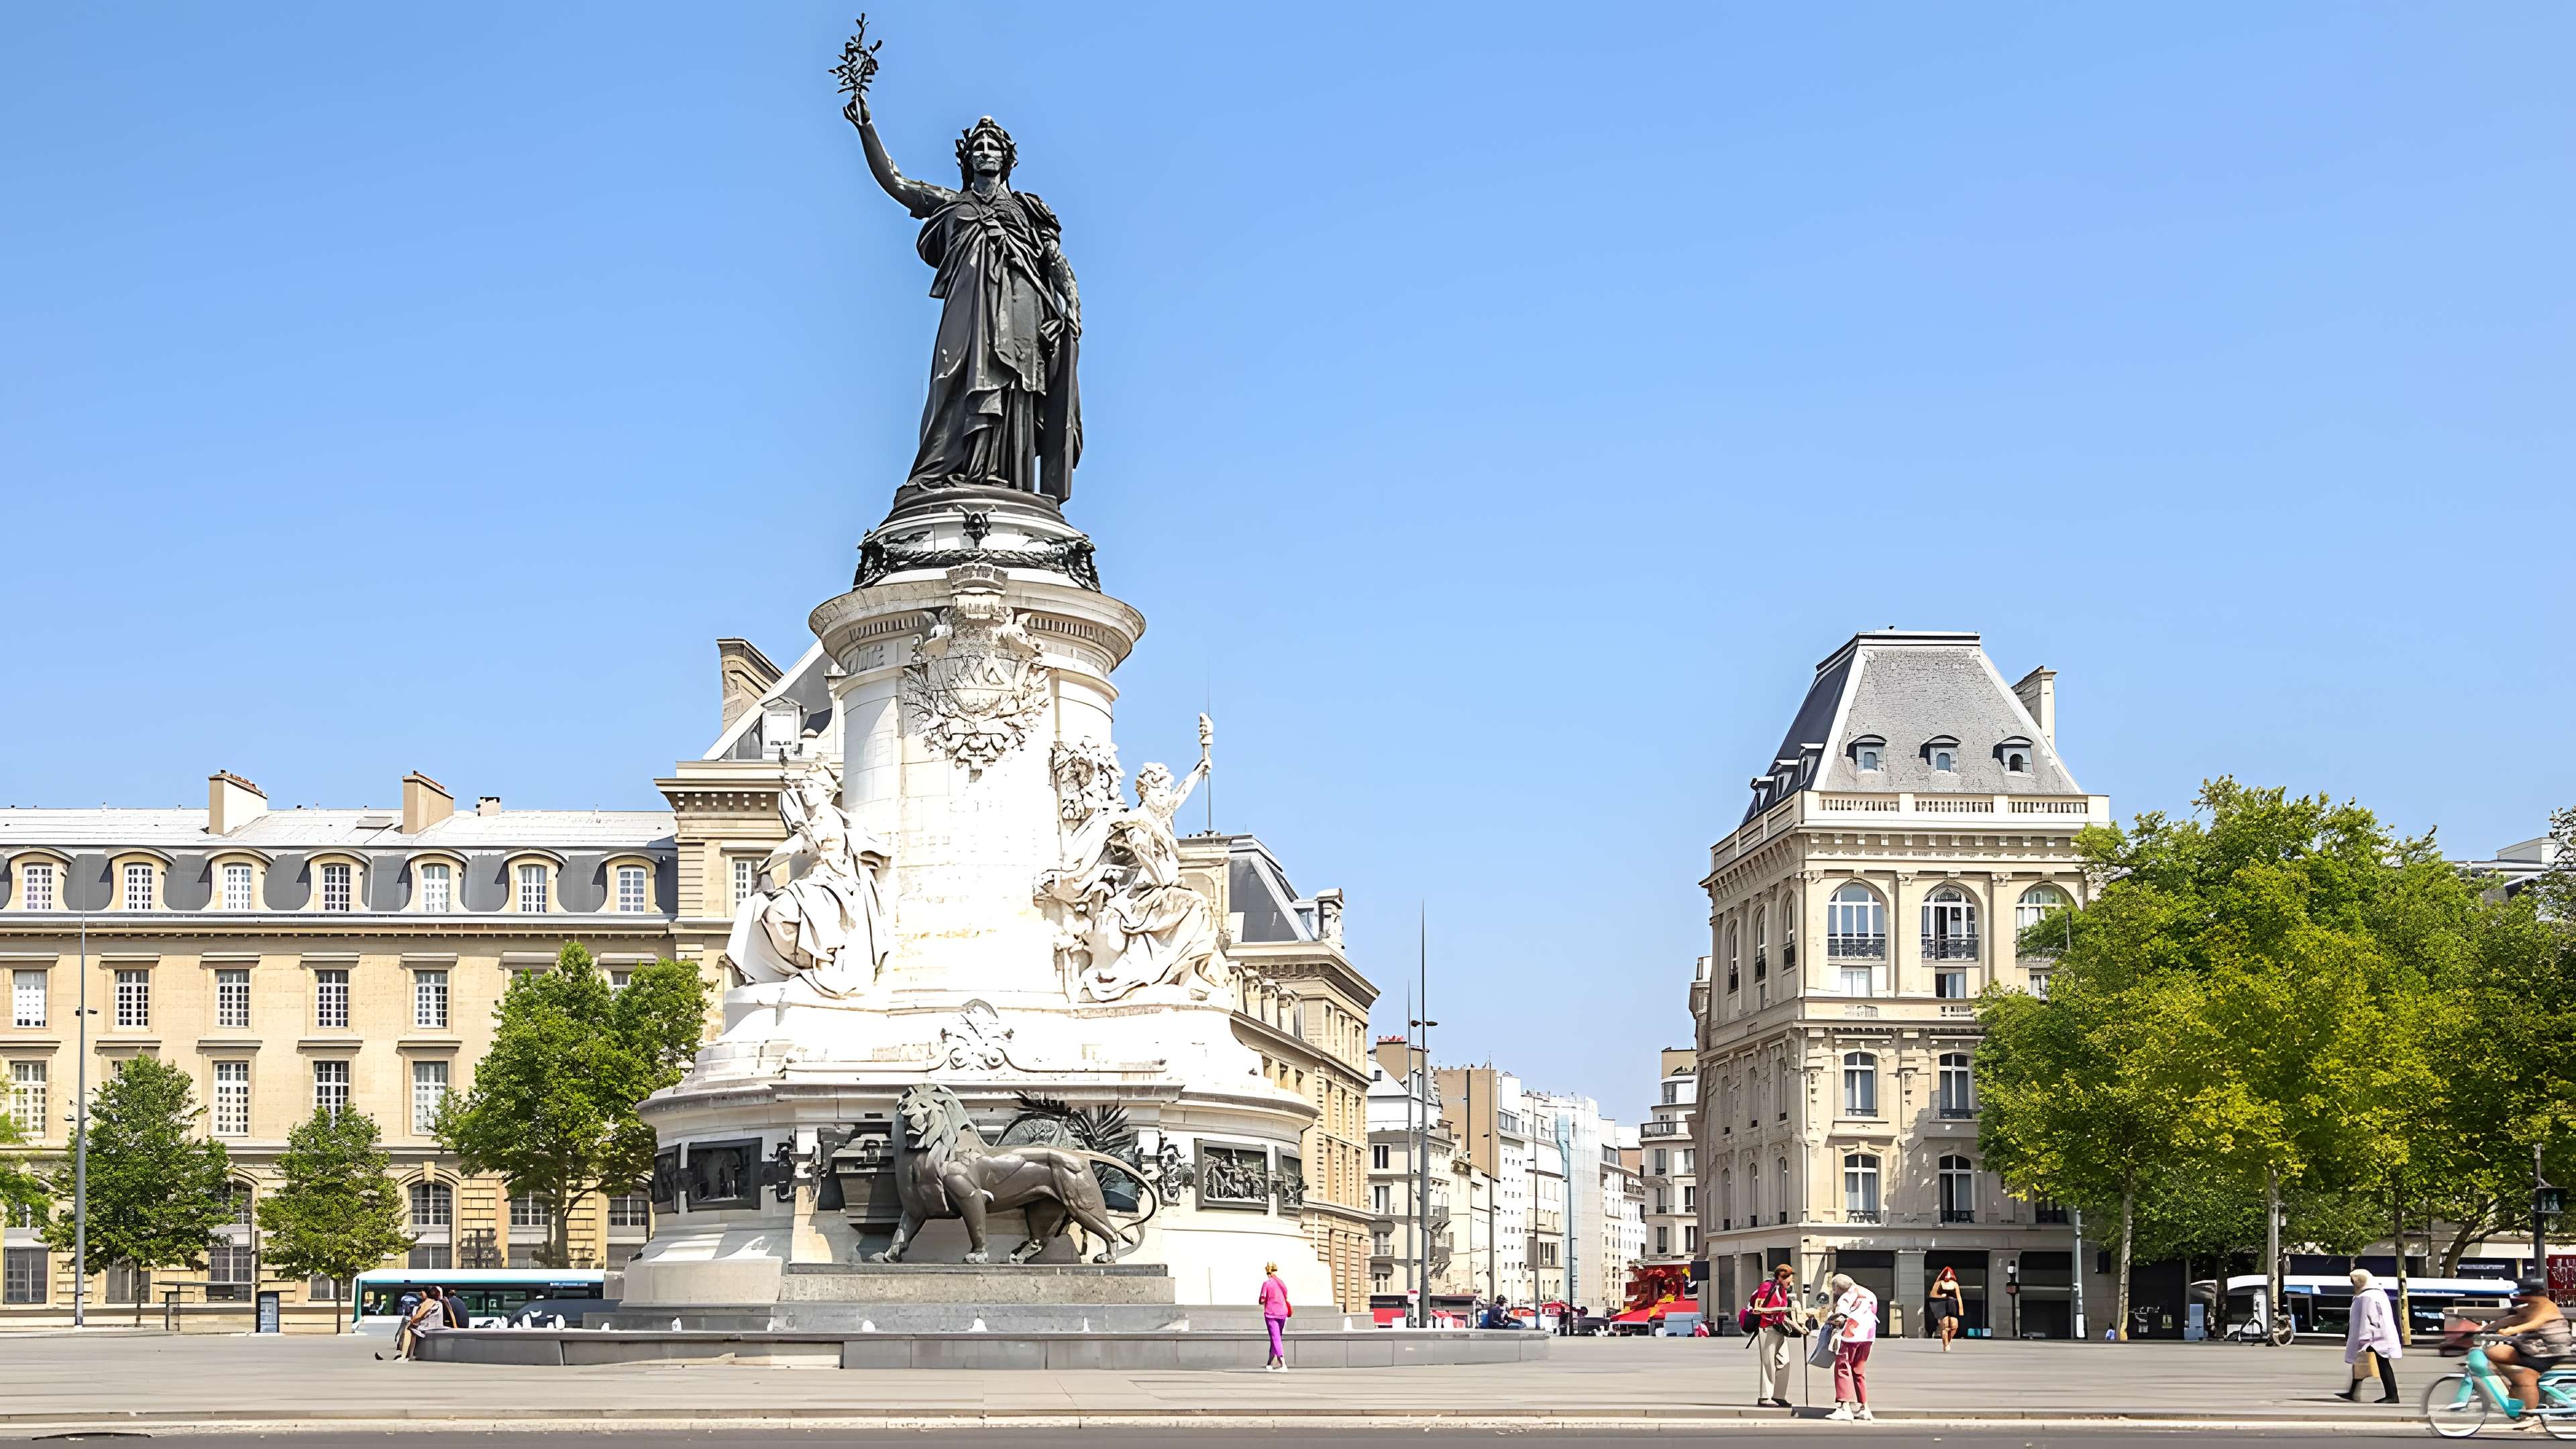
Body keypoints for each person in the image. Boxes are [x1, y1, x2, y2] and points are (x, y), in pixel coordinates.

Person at [2483, 1276, 2571, 1419]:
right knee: (2493, 1353)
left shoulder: (2547, 1306)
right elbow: (2517, 1318)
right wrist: (2487, 1328)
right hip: (2532, 1348)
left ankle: (2531, 1417)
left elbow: (2535, 1323)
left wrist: (2510, 1331)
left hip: (2549, 1351)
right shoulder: (2531, 1307)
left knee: (2525, 1379)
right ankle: (2514, 1385)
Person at [2337, 1269, 2402, 1403]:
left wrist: (2364, 1338)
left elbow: (2370, 1319)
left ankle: (2392, 1396)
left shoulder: (2367, 1296)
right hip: (2378, 1335)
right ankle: (2353, 1392)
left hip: (2375, 1336)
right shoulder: (2377, 1293)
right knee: (2361, 1360)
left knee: (2382, 1363)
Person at [1824, 1273, 1880, 1423]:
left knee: (1843, 1367)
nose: (1834, 1292)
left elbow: (1840, 1317)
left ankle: (1844, 1407)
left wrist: (1828, 1322)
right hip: (1868, 1336)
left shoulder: (1847, 1296)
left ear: (1838, 1287)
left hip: (1850, 1335)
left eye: (1834, 1288)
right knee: (1859, 1371)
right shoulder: (1869, 1293)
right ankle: (1864, 1408)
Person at [1747, 1262, 1801, 1408]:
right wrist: (1783, 1309)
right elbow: (1761, 1307)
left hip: (1778, 1328)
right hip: (1767, 1327)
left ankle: (1778, 1395)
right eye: (1789, 1278)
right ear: (1781, 1277)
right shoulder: (1768, 1287)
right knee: (1768, 1363)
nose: (1791, 1282)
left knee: (1784, 1362)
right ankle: (1765, 1396)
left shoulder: (1782, 1290)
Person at [1258, 1262, 1292, 1371]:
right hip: (1283, 1313)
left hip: (1271, 1314)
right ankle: (1269, 1363)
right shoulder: (1281, 1283)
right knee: (1276, 1337)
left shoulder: (1267, 1284)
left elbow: (1262, 1300)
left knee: (1275, 1337)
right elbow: (1286, 1295)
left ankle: (1283, 1363)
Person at [1928, 1265, 1964, 1352]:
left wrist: (1961, 1309)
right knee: (1945, 1326)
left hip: (1952, 1306)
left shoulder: (1954, 1284)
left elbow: (1959, 1297)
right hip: (1941, 1306)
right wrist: (1941, 1296)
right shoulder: (1938, 1284)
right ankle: (1946, 1344)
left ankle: (1948, 1341)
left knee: (1954, 1326)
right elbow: (1932, 1295)